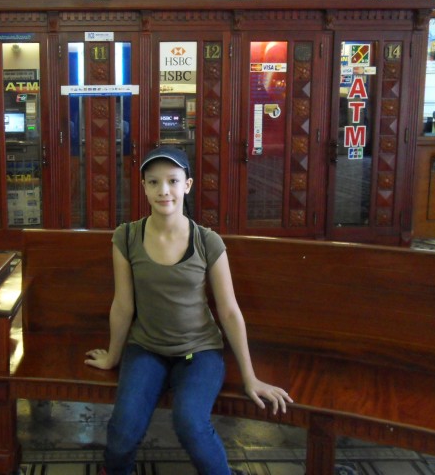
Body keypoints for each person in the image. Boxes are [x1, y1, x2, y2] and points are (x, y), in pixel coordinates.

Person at [85, 146, 293, 475]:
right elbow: (123, 304)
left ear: (188, 185)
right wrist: (112, 356)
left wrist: (250, 377)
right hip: (146, 348)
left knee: (190, 422)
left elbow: (229, 311)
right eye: (154, 182)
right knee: (123, 427)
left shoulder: (207, 241)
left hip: (200, 352)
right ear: (143, 187)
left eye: (172, 180)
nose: (163, 190)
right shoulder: (126, 237)